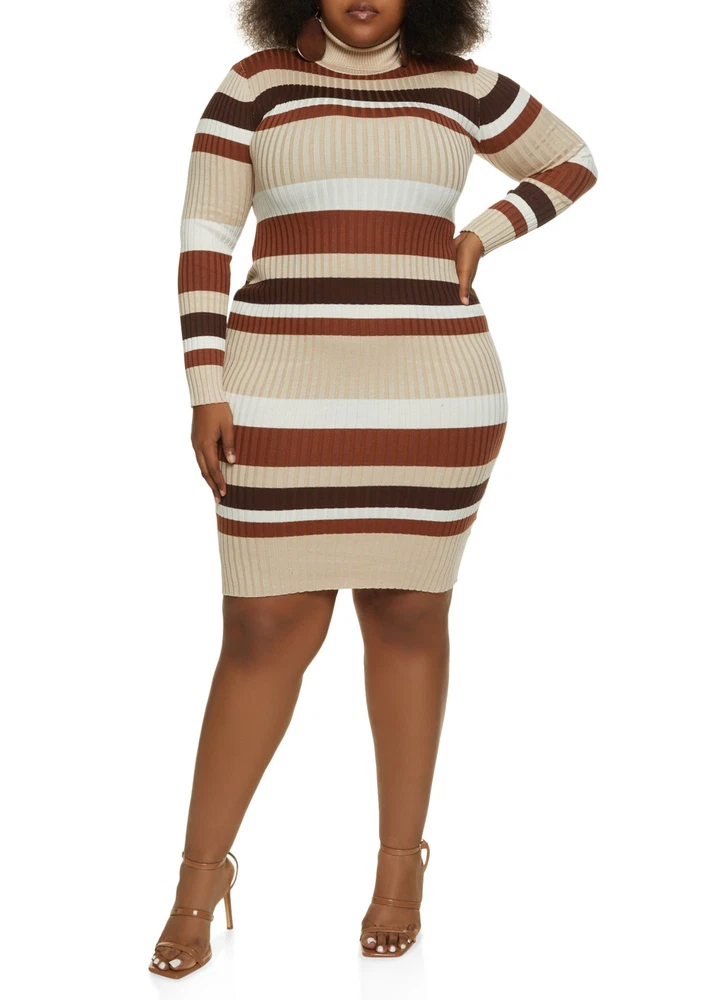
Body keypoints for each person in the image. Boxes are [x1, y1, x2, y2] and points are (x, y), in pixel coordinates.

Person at [150, 0, 598, 978]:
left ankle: (401, 873)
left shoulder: (462, 88)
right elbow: (205, 237)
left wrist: (481, 235)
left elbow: (573, 161)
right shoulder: (255, 86)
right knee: (263, 632)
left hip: (433, 398)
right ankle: (197, 883)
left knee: (407, 618)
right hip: (278, 394)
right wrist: (205, 387)